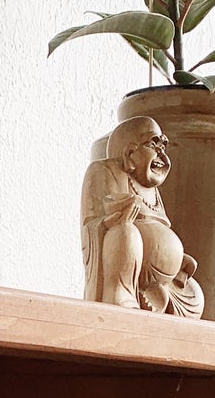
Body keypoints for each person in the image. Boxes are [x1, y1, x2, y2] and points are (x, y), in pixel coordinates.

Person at [81, 115, 204, 318]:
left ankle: (157, 297)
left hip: (161, 280)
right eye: (154, 145)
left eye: (164, 147)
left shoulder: (152, 191)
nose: (161, 155)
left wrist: (178, 260)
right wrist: (114, 219)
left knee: (195, 296)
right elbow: (91, 226)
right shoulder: (105, 171)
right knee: (125, 233)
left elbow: (158, 232)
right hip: (126, 270)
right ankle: (123, 295)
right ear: (129, 152)